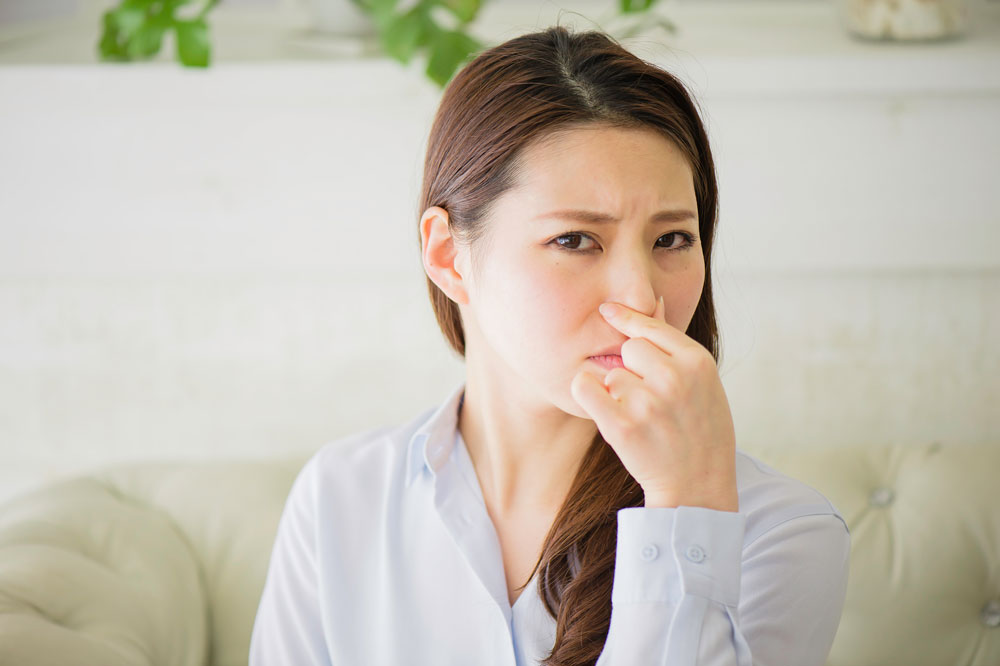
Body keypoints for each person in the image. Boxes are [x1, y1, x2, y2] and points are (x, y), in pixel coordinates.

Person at [249, 24, 850, 666]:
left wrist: (689, 509)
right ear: (449, 255)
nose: (642, 299)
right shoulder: (341, 497)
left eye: (672, 238)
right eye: (574, 240)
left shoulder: (778, 535)